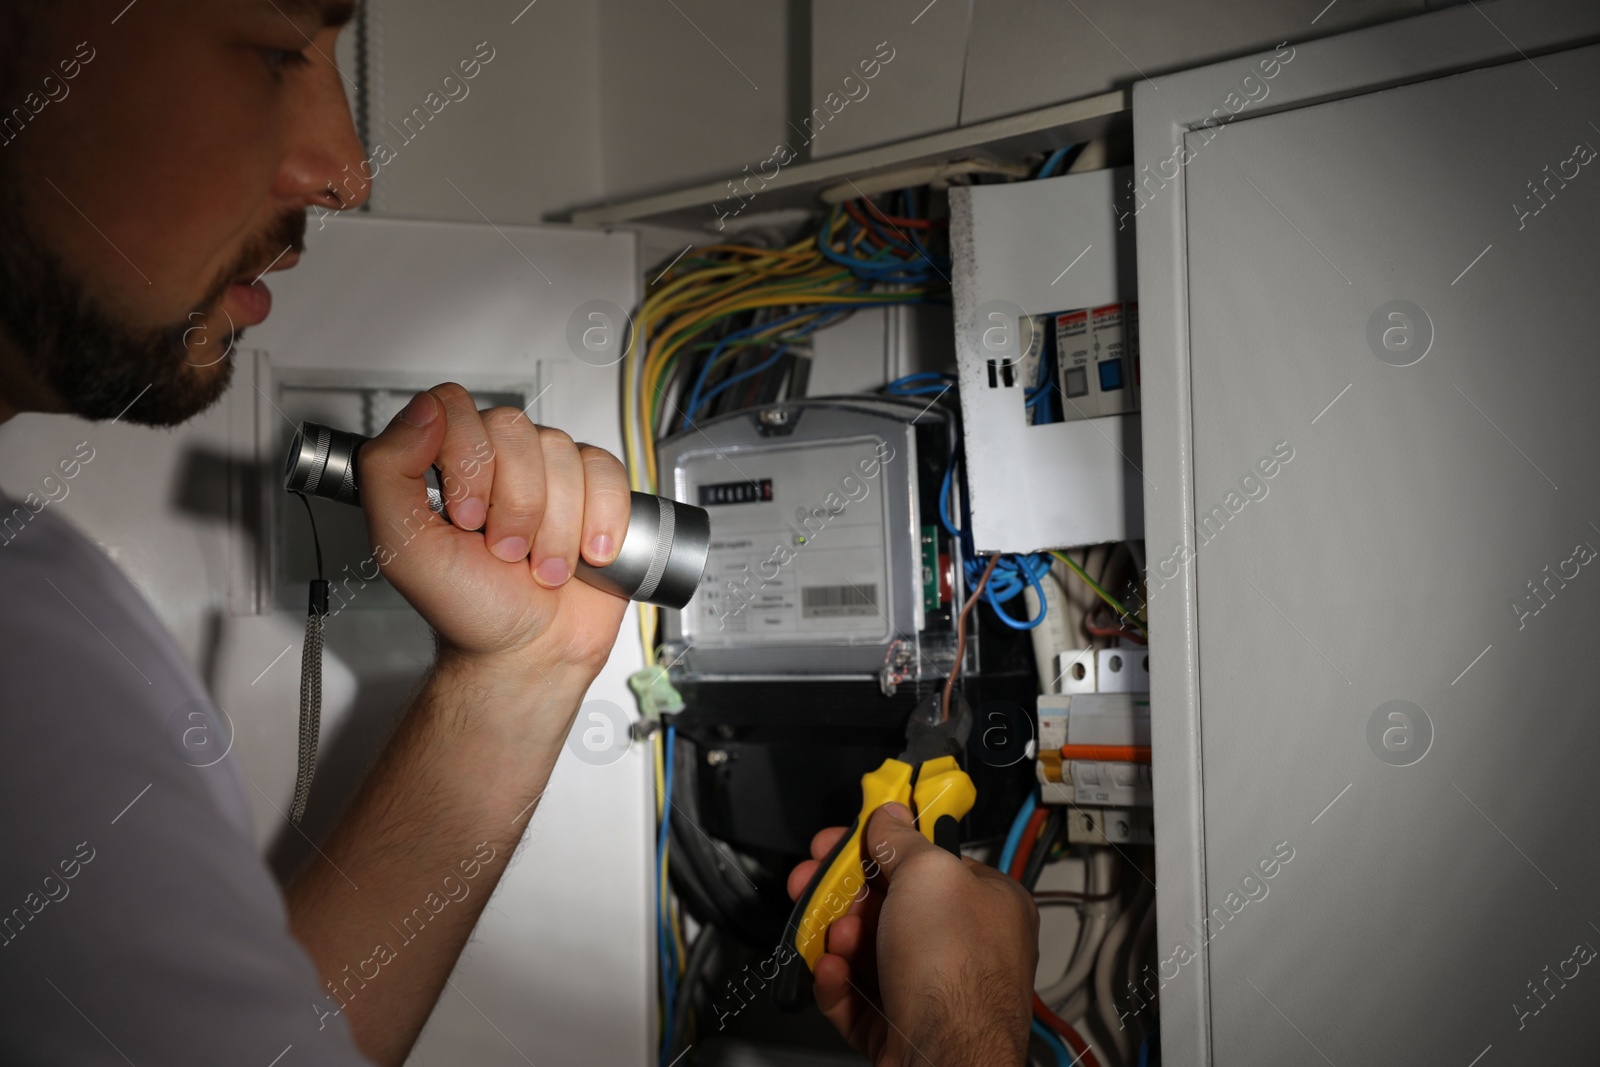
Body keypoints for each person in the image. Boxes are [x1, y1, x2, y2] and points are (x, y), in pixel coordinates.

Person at [0, 2, 1038, 1064]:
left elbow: (261, 1044)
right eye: (274, 51)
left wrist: (519, 667)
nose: (345, 169)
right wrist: (966, 1029)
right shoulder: (27, 638)